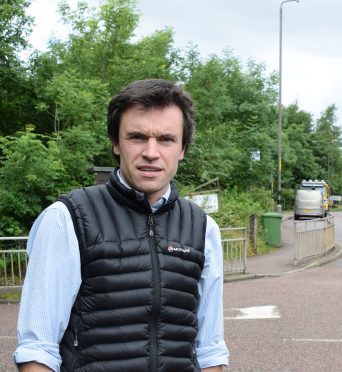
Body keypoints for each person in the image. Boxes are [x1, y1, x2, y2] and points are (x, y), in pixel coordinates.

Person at [13, 79, 229, 371]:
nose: (151, 152)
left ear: (182, 149)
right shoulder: (67, 219)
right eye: (137, 137)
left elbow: (210, 351)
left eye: (166, 139)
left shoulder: (203, 229)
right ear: (116, 143)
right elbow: (37, 350)